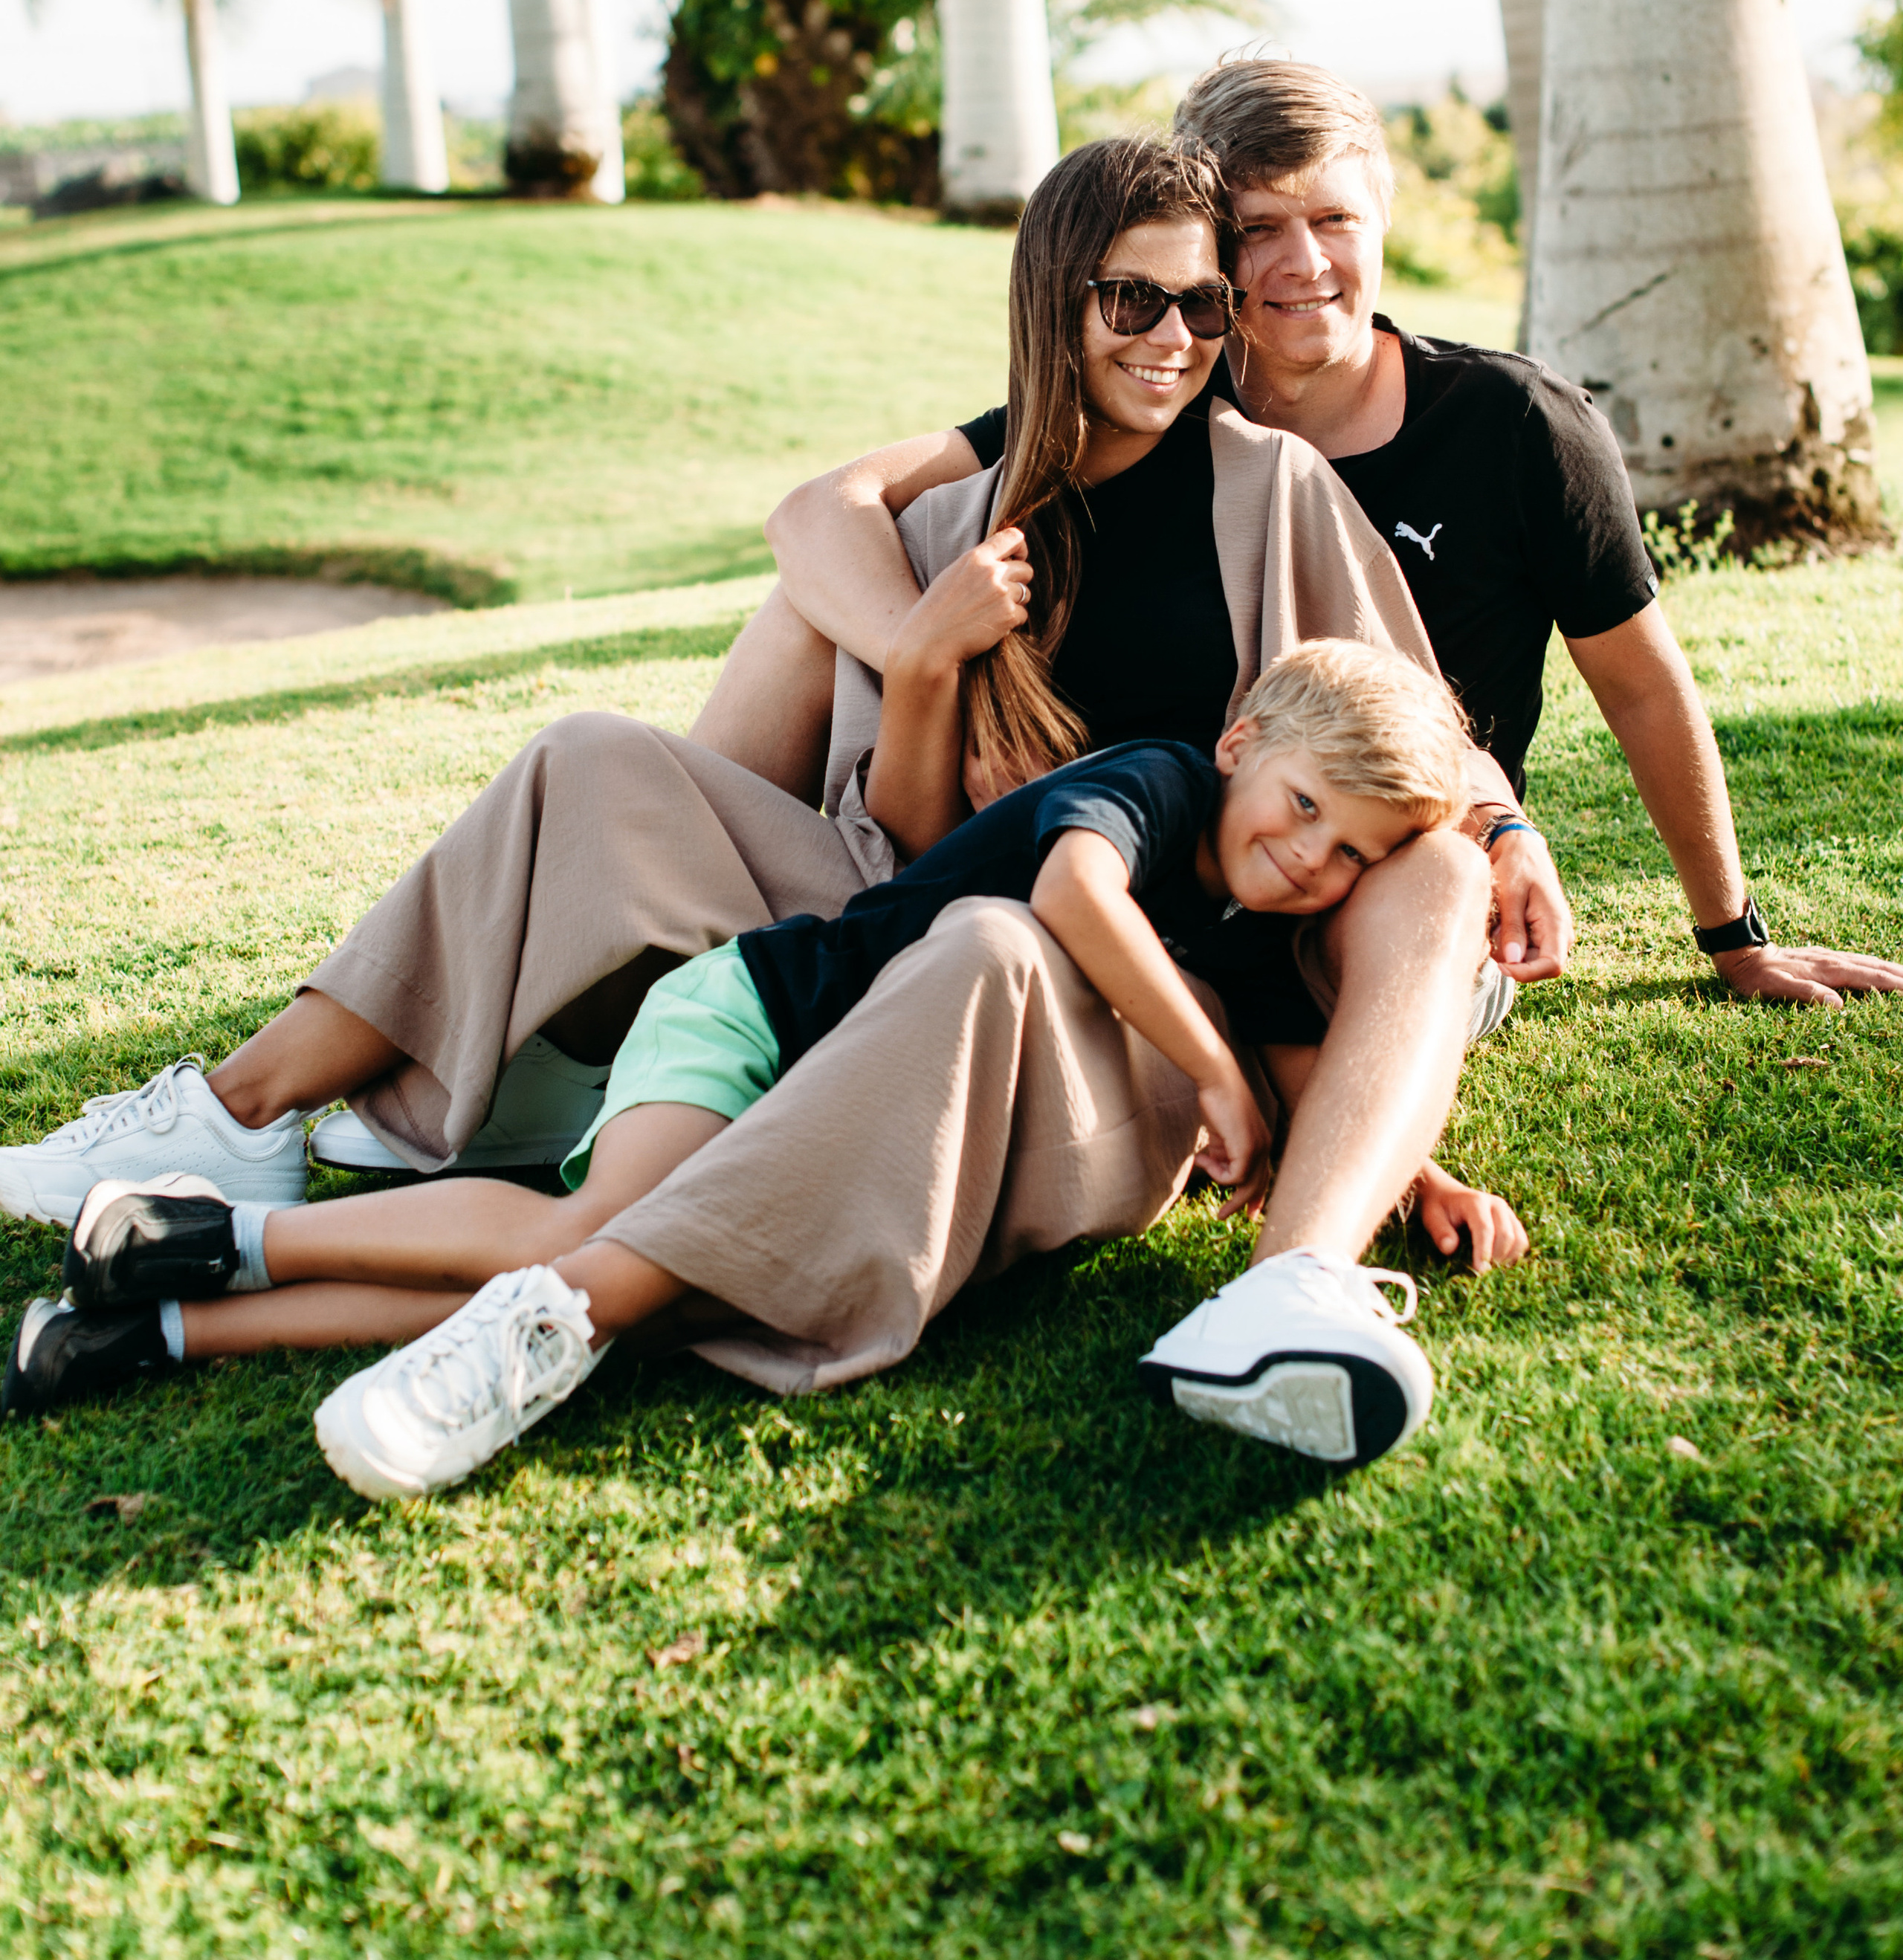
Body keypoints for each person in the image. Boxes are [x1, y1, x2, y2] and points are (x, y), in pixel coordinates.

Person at [0, 138, 1511, 1469]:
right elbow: (911, 829)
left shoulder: (1268, 501)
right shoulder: (973, 504)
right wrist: (924, 659)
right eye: (1134, 301)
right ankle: (241, 1113)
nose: (1175, 339)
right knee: (594, 753)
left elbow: (1396, 759)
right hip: (898, 917)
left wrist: (1377, 1100)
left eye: (1201, 307)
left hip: (1083, 982)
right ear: (1058, 303)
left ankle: (225, 1281)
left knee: (986, 955)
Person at [9, 638, 1476, 1500]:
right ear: (1240, 750)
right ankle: (222, 1232)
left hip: (829, 1102)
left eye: (1344, 856)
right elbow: (1074, 901)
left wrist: (1402, 1166)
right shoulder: (1158, 783)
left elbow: (1311, 1068)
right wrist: (1208, 1071)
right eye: (1298, 811)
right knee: (590, 1245)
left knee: (649, 1301)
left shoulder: (1247, 915)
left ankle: (158, 1324)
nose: (1305, 861)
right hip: (755, 1021)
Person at [734, 51, 1903, 1012]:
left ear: (1382, 217)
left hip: (1386, 851)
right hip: (1154, 840)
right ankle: (711, 957)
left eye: (1334, 218)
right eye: (1258, 228)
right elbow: (818, 510)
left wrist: (1731, 935)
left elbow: (1644, 687)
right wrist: (944, 656)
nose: (1302, 263)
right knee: (807, 618)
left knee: (1419, 886)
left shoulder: (1514, 426)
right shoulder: (1157, 387)